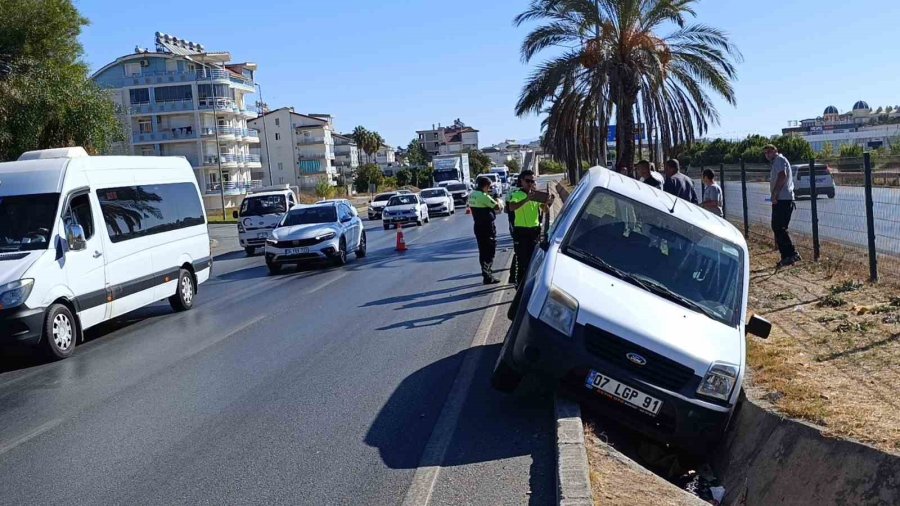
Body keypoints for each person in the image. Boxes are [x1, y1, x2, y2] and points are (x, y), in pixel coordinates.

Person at [507, 170, 554, 284]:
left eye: (532, 181)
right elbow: (512, 207)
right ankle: (519, 284)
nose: (530, 183)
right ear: (521, 181)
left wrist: (547, 203)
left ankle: (530, 283)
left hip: (534, 231)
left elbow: (545, 210)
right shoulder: (517, 194)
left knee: (533, 260)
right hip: (521, 231)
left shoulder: (535, 195)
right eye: (528, 181)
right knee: (522, 259)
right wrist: (527, 199)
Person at [765, 144, 801, 267]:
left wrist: (775, 193)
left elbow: (782, 176)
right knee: (779, 227)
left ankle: (791, 254)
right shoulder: (777, 161)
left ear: (776, 151)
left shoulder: (779, 160)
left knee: (778, 227)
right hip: (782, 199)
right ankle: (786, 256)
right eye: (766, 152)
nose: (768, 154)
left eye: (770, 151)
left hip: (783, 199)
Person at [468, 176, 502, 284]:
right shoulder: (483, 196)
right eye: (489, 186)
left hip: (478, 226)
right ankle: (487, 275)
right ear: (486, 186)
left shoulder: (472, 194)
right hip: (487, 227)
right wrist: (496, 199)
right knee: (489, 250)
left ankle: (486, 273)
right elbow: (497, 207)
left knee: (482, 251)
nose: (490, 189)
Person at [505, 174, 521, 284]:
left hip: (513, 223)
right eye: (529, 181)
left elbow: (506, 209)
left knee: (518, 251)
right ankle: (514, 277)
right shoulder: (519, 193)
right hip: (519, 225)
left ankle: (513, 277)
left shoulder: (510, 191)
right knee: (519, 252)